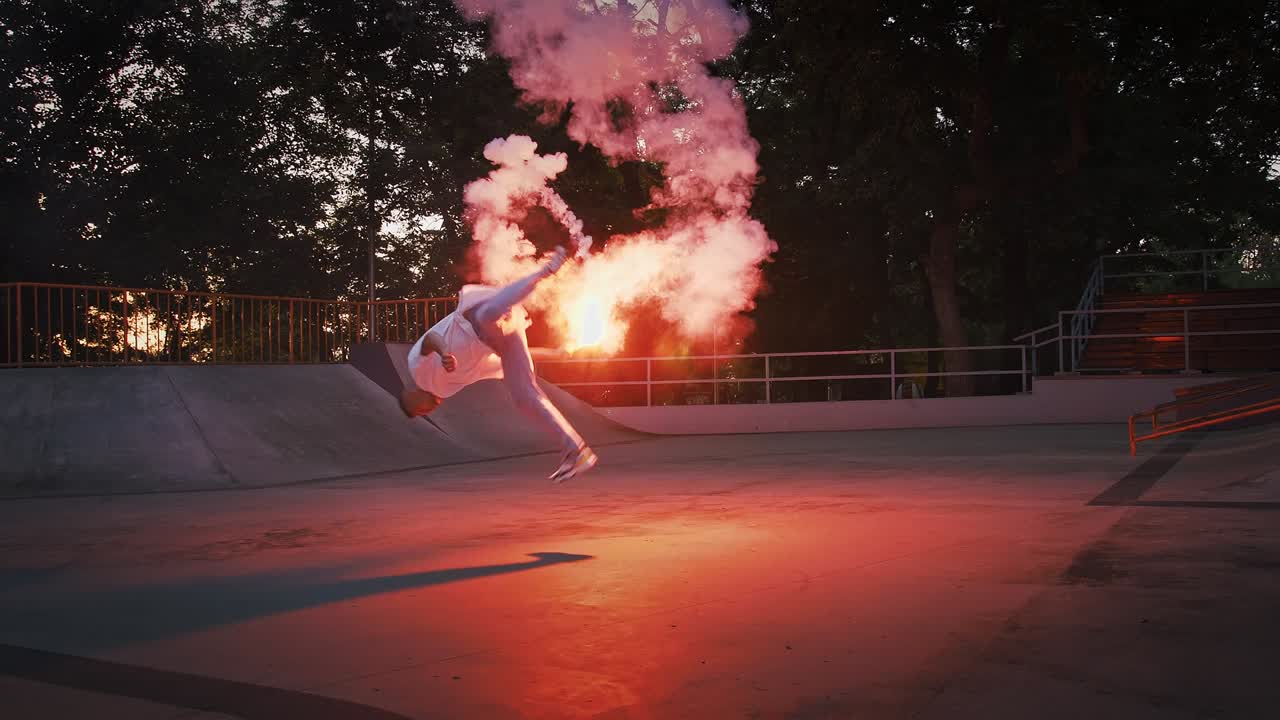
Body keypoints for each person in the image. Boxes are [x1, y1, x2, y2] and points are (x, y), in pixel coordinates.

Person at [400, 247, 598, 483]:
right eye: (424, 413)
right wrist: (555, 353)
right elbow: (511, 362)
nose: (428, 410)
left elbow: (430, 340)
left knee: (486, 316)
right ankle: (577, 452)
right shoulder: (451, 387)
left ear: (411, 395)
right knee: (524, 396)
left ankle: (546, 270)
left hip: (473, 318)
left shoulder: (417, 369)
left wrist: (443, 352)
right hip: (502, 338)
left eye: (420, 409)